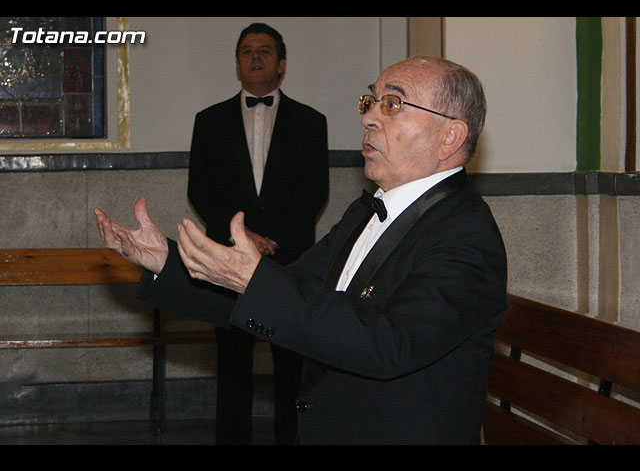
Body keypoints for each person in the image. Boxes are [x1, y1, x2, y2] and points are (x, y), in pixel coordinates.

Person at [95, 56, 507, 444]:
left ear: (449, 136)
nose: (368, 117)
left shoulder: (465, 234)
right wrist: (167, 261)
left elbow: (388, 344)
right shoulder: (363, 212)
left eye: (393, 104)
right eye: (371, 101)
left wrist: (253, 281)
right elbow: (284, 290)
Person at [185, 23, 329, 444]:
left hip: (290, 261)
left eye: (265, 51)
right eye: (247, 51)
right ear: (237, 64)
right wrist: (245, 237)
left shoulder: (311, 122)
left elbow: (314, 191)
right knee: (232, 364)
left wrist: (272, 241)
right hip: (228, 259)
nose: (256, 57)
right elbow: (200, 189)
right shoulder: (209, 121)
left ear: (281, 65)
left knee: (291, 365)